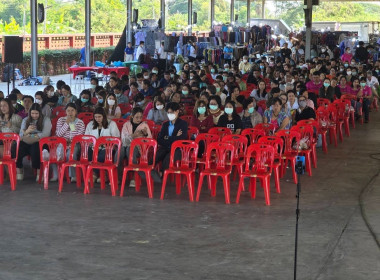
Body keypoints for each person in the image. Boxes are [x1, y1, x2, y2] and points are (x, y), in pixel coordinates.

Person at [16, 103, 52, 181]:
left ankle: (39, 171)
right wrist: (28, 131)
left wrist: (31, 135)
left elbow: (45, 134)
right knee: (17, 147)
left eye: (36, 113)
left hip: (40, 142)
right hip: (27, 141)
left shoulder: (46, 120)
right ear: (30, 113)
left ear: (40, 113)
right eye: (32, 113)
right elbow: (21, 134)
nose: (34, 115)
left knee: (36, 148)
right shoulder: (26, 120)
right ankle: (19, 168)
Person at [85, 107, 120, 181]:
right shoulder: (90, 124)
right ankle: (95, 173)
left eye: (99, 117)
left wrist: (105, 143)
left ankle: (101, 173)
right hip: (94, 147)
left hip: (108, 147)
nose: (97, 119)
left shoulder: (111, 124)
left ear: (103, 116)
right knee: (88, 151)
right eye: (96, 117)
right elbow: (86, 138)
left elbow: (116, 138)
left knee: (102, 153)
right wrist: (92, 143)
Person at [55, 103, 85, 182]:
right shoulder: (61, 120)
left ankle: (73, 175)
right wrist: (66, 123)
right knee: (56, 153)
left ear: (76, 112)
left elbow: (79, 136)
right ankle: (58, 175)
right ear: (65, 112)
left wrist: (71, 141)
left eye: (72, 111)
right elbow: (58, 134)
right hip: (62, 143)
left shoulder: (80, 122)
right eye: (68, 111)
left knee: (71, 154)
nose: (70, 113)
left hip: (75, 144)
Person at [156, 102, 188, 172]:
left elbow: (181, 139)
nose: (169, 114)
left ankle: (162, 176)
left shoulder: (183, 124)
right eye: (168, 112)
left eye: (171, 112)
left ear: (177, 111)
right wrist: (175, 137)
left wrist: (167, 137)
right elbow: (160, 139)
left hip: (178, 149)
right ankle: (150, 174)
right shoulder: (165, 124)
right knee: (155, 157)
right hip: (165, 147)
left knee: (167, 159)